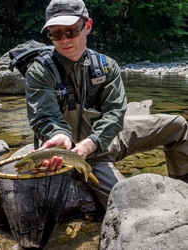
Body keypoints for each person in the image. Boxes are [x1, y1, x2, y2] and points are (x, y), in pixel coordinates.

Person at [24, 0, 188, 210]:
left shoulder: (106, 66)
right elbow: (45, 118)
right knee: (127, 207)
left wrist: (93, 140)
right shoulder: (39, 72)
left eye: (72, 31)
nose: (64, 40)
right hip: (73, 153)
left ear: (88, 26)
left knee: (177, 126)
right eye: (57, 34)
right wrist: (62, 137)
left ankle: (182, 188)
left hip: (106, 137)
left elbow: (115, 113)